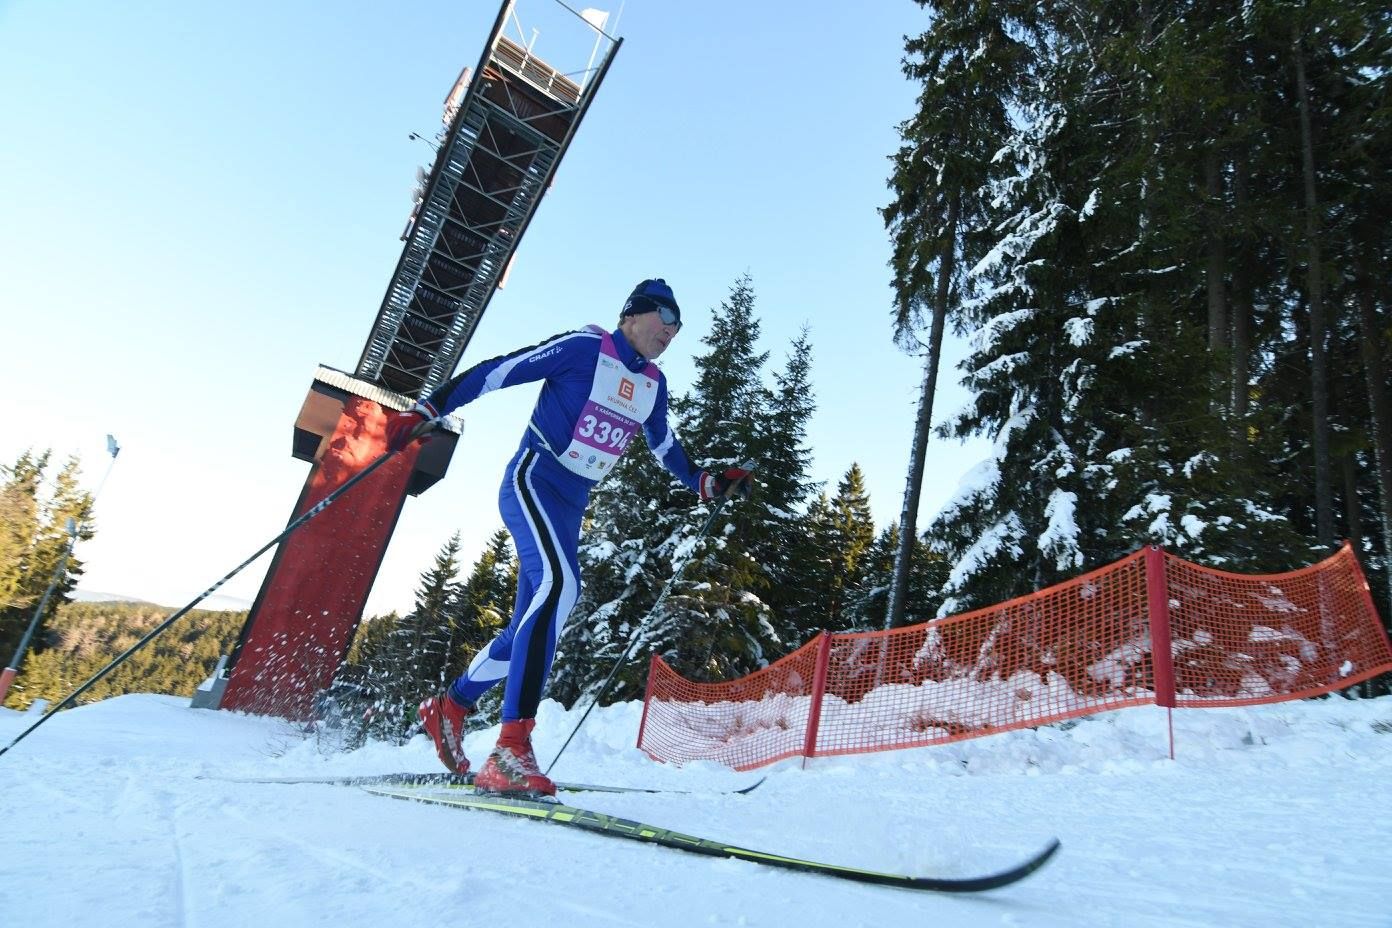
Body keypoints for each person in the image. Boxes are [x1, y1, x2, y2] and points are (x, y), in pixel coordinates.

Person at [384, 278, 753, 796]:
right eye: (664, 317)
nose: (671, 331)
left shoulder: (653, 384)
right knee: (559, 589)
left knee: (534, 621)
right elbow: (501, 371)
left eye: (678, 326)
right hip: (534, 478)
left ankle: (451, 705)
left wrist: (704, 481)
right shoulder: (585, 348)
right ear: (632, 313)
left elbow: (664, 442)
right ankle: (510, 749)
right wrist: (430, 408)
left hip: (572, 504)